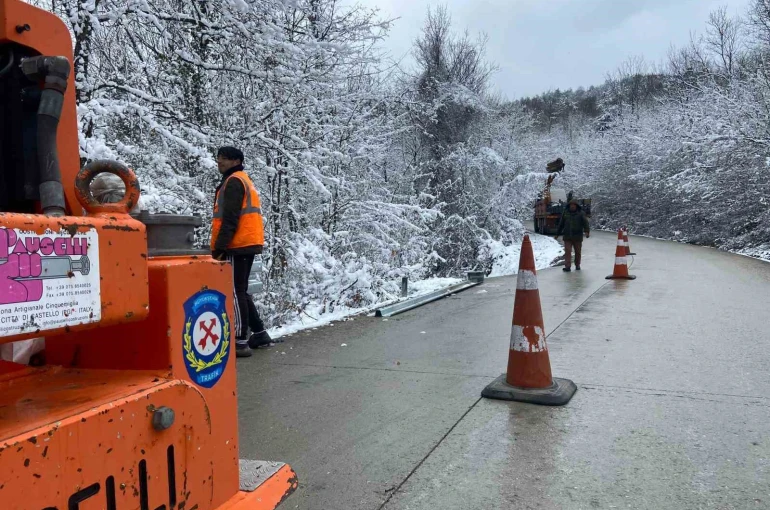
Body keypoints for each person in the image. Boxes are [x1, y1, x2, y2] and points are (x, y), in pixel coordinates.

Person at [210, 146, 271, 358]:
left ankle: (240, 340)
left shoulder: (234, 181)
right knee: (242, 291)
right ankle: (259, 333)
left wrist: (220, 247)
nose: (219, 162)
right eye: (218, 158)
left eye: (224, 159)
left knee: (235, 291)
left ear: (236, 161)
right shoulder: (243, 179)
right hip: (246, 241)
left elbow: (230, 218)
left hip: (237, 243)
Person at [555, 199, 590, 272]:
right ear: (569, 206)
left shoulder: (581, 213)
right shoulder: (565, 213)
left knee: (578, 252)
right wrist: (557, 234)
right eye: (571, 205)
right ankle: (567, 266)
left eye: (574, 205)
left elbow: (585, 223)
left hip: (577, 236)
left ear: (576, 206)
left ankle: (577, 265)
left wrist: (587, 231)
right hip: (567, 236)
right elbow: (561, 224)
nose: (572, 206)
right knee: (567, 251)